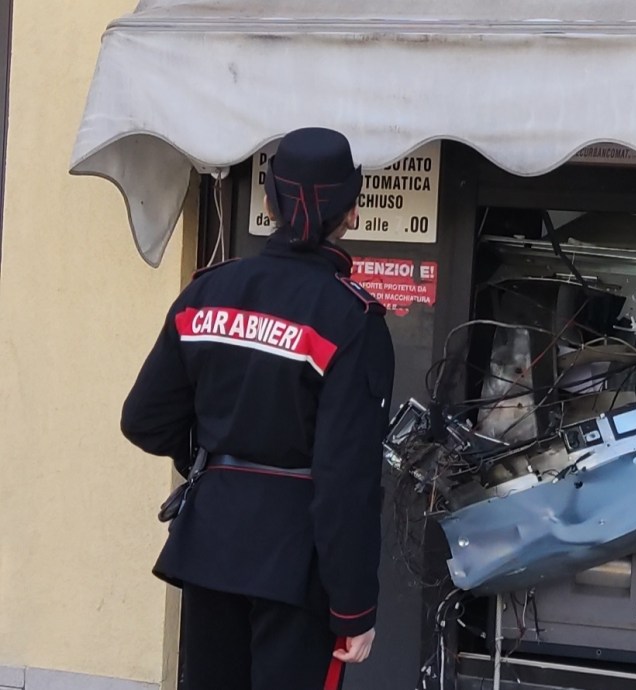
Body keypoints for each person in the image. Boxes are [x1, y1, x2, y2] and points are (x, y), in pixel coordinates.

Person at [121, 128, 395, 690]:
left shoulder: (207, 292)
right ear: (352, 212)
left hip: (210, 545)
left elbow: (144, 419)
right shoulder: (351, 319)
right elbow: (345, 480)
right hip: (298, 565)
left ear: (269, 204)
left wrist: (219, 465)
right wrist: (353, 607)